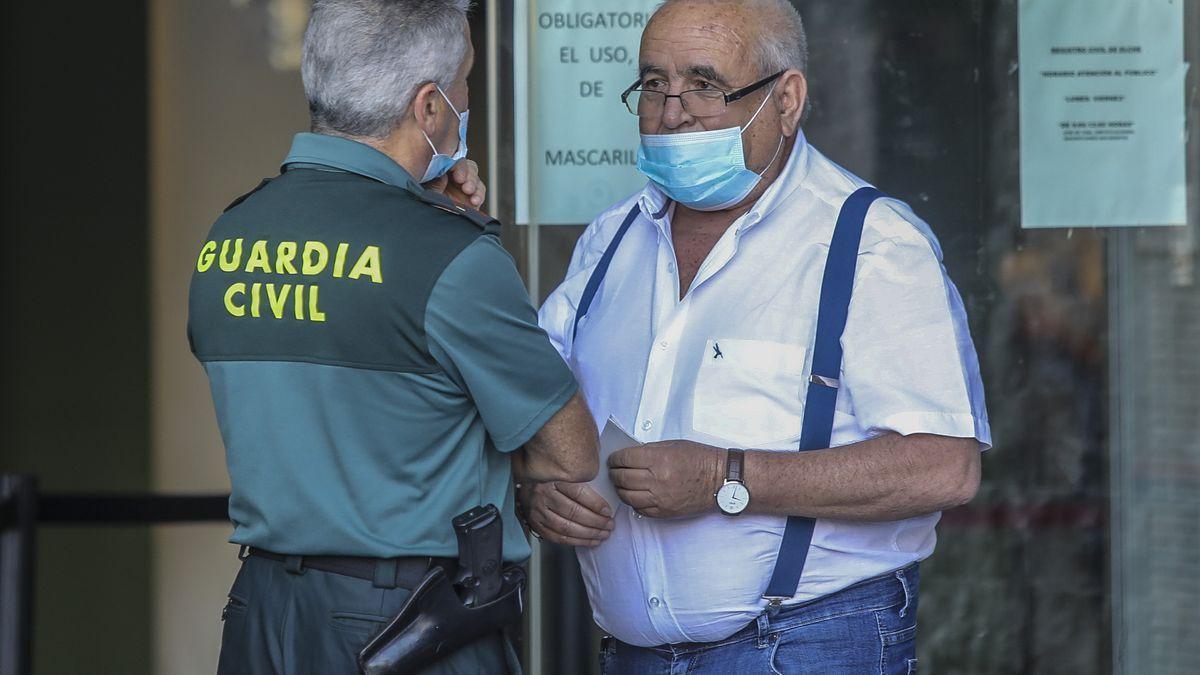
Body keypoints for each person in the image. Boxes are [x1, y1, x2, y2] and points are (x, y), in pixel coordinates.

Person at [523, 0, 991, 672]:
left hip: (806, 645)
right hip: (631, 654)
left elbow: (944, 465)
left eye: (706, 85)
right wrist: (541, 493)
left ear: (787, 99)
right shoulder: (611, 239)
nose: (674, 112)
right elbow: (534, 402)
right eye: (654, 84)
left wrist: (725, 476)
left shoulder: (871, 245)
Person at [187, 1, 597, 672]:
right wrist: (452, 239)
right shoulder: (450, 257)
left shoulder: (228, 236)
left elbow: (318, 413)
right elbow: (569, 451)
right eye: (465, 81)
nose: (470, 99)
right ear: (430, 107)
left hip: (261, 613)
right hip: (410, 620)